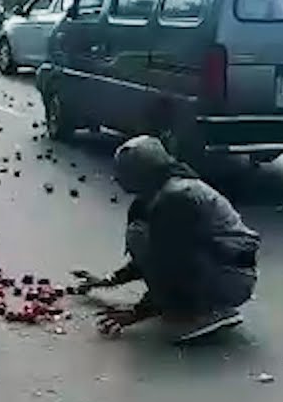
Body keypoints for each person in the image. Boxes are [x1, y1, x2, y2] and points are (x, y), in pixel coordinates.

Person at [75, 136, 260, 343]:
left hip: (229, 277)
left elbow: (169, 260)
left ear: (142, 172)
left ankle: (205, 312)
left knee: (140, 234)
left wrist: (138, 313)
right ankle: (191, 305)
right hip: (222, 268)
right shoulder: (162, 193)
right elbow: (155, 255)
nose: (116, 178)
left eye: (122, 172)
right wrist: (109, 281)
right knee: (144, 234)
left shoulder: (175, 198)